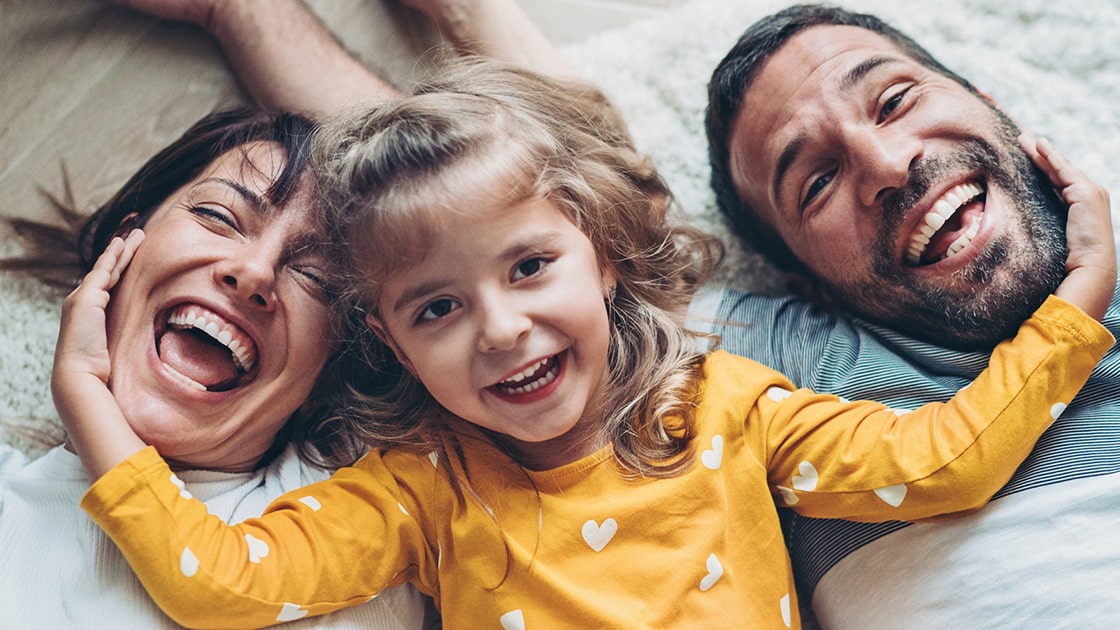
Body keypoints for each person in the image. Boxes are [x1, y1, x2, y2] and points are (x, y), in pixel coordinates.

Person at [59, 57, 1113, 628]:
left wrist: (1072, 309)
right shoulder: (418, 491)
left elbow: (943, 462)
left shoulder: (729, 406)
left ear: (603, 253)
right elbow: (219, 582)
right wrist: (94, 405)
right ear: (385, 336)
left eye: (528, 269)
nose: (501, 329)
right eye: (437, 309)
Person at [703, 4, 1120, 626]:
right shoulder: (790, 373)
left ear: (991, 103)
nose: (889, 165)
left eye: (895, 100)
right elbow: (561, 221)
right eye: (816, 183)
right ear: (807, 287)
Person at [0, 109, 427, 628]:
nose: (253, 273)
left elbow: (474, 196)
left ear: (333, 368)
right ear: (121, 248)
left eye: (316, 276)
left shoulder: (372, 516)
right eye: (219, 217)